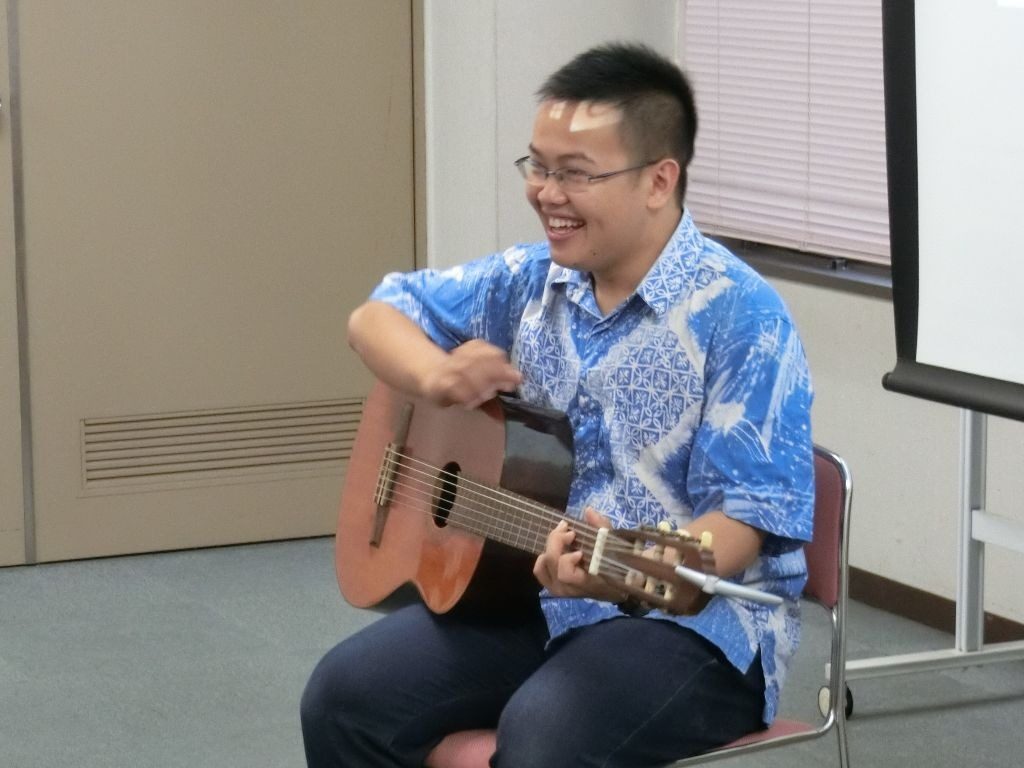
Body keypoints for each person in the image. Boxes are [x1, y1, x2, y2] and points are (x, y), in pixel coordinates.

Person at [301, 42, 814, 767]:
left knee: (542, 737)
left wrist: (622, 573)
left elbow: (744, 521)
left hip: (695, 632)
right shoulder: (529, 280)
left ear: (659, 181)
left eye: (574, 174)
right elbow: (376, 316)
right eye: (537, 167)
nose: (546, 193)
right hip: (529, 595)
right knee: (344, 696)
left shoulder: (743, 319)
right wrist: (436, 377)